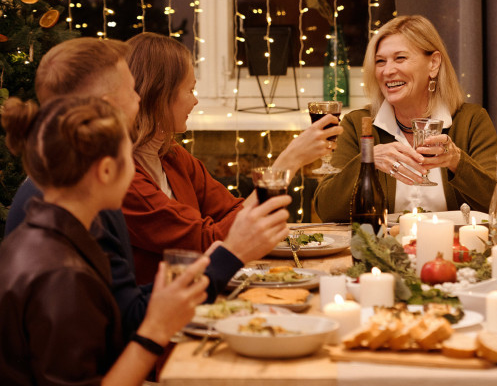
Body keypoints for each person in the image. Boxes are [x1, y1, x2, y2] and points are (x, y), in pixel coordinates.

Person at [4, 37, 292, 340]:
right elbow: (127, 328)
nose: (139, 98)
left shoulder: (88, 184)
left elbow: (128, 306)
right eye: (132, 90)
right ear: (109, 105)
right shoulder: (97, 189)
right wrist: (232, 251)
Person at [0, 95, 209, 385]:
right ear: (107, 170)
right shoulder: (63, 277)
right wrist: (156, 329)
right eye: (129, 158)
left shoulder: (51, 232)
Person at [123, 32, 342, 283]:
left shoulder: (171, 155)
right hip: (164, 308)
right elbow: (206, 242)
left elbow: (232, 211)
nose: (195, 100)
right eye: (190, 89)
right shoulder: (126, 179)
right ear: (159, 94)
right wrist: (287, 163)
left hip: (203, 289)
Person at [314, 15, 497, 221]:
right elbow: (327, 210)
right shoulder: (358, 125)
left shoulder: (471, 121)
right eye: (380, 61)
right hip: (383, 250)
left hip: (455, 250)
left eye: (400, 58)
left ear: (434, 64)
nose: (387, 71)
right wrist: (368, 161)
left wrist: (457, 161)